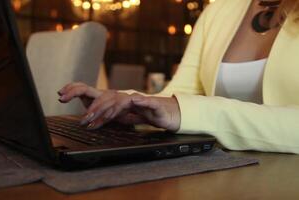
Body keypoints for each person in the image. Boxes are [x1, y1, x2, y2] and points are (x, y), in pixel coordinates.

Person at [58, 0, 299, 154]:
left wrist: (187, 110)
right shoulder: (219, 10)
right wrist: (130, 103)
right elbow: (179, 94)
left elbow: (184, 108)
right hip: (223, 171)